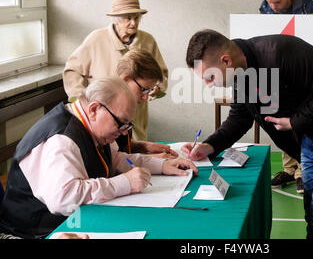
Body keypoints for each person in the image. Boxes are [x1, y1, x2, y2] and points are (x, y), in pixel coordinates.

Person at [182, 30, 313, 239]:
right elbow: (240, 117)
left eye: (210, 77)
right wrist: (210, 146)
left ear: (226, 61)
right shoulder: (240, 71)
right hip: (310, 135)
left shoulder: (280, 53)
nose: (209, 85)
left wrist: (295, 121)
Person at [0, 77, 198, 239]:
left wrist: (161, 165)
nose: (123, 133)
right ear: (95, 109)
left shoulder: (89, 124)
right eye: (121, 124)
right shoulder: (61, 140)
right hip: (36, 233)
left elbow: (115, 158)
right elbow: (64, 199)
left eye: (128, 126)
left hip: (72, 222)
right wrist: (124, 184)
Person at [63, 0, 169, 144]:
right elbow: (72, 70)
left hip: (135, 117)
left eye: (137, 17)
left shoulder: (148, 41)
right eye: (128, 18)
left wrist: (156, 88)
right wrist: (82, 100)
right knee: (109, 156)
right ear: (115, 18)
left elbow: (161, 74)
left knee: (134, 152)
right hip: (102, 118)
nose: (133, 23)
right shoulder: (96, 39)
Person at [260, 0, 313, 194]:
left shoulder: (310, 8)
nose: (273, 7)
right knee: (280, 118)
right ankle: (289, 170)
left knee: (298, 121)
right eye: (269, 2)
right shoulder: (265, 8)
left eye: (277, 2)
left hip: (302, 73)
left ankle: (302, 172)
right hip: (277, 73)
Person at [115, 49, 178, 159]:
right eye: (143, 89)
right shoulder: (108, 112)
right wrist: (151, 160)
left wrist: (146, 146)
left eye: (149, 91)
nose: (146, 97)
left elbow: (122, 146)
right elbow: (112, 159)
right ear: (125, 80)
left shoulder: (124, 107)